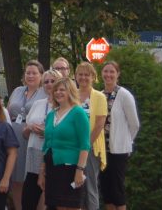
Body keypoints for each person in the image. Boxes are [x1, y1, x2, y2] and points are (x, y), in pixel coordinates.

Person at [38, 77, 90, 210]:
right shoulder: (51, 115)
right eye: (56, 90)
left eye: (62, 90)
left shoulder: (78, 113)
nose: (58, 93)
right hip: (53, 168)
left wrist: (80, 170)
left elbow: (85, 144)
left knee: (71, 205)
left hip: (71, 168)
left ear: (70, 92)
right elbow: (46, 145)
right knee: (58, 205)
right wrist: (42, 172)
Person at [99, 61, 139, 210]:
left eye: (112, 72)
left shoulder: (123, 95)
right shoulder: (100, 95)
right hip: (103, 151)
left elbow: (134, 124)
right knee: (106, 190)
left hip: (118, 151)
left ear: (118, 74)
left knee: (117, 189)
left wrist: (126, 141)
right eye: (106, 71)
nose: (108, 75)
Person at [7, 60, 46, 210]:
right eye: (28, 73)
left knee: (34, 178)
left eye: (34, 73)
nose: (30, 76)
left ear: (41, 75)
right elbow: (9, 110)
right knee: (17, 178)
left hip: (33, 139)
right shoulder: (17, 90)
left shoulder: (44, 92)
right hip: (14, 137)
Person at [22, 69, 63, 210]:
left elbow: (66, 134)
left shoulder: (64, 106)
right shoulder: (38, 104)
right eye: (46, 82)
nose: (49, 84)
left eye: (53, 81)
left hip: (52, 155)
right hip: (34, 152)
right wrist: (30, 128)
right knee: (28, 198)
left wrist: (48, 132)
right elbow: (25, 133)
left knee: (52, 199)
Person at [76, 61, 107, 210]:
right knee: (74, 187)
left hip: (90, 147)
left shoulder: (99, 97)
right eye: (80, 74)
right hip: (71, 147)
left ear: (93, 77)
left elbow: (99, 125)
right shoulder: (71, 95)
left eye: (86, 75)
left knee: (90, 186)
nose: (83, 77)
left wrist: (85, 146)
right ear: (75, 76)